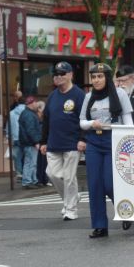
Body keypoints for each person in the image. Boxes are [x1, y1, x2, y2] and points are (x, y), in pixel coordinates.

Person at [80, 63, 134, 238]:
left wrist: (130, 140)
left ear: (108, 78)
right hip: (94, 141)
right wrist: (91, 123)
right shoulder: (89, 97)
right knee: (95, 184)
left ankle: (125, 210)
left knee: (110, 183)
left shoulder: (120, 94)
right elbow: (81, 122)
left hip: (114, 139)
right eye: (94, 77)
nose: (96, 80)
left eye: (100, 76)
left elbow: (128, 120)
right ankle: (99, 226)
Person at [40, 61, 86, 221]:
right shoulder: (52, 96)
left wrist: (82, 138)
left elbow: (85, 118)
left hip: (72, 143)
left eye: (62, 74)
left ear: (71, 75)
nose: (58, 77)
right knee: (51, 173)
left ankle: (71, 209)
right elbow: (46, 119)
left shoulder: (79, 95)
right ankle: (72, 197)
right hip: (53, 142)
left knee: (69, 177)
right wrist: (43, 141)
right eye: (56, 74)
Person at [18, 96, 42, 190]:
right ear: (31, 103)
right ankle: (28, 181)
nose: (36, 104)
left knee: (30, 162)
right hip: (30, 143)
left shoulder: (26, 113)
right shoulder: (30, 115)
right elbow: (31, 130)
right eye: (35, 102)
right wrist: (36, 141)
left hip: (27, 142)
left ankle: (31, 180)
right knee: (31, 162)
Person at [7, 95, 26, 180]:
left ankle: (19, 173)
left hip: (15, 138)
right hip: (26, 137)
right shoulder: (28, 112)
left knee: (17, 157)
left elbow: (8, 127)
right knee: (27, 156)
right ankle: (27, 173)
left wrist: (8, 136)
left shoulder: (11, 113)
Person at [35, 101, 51, 187]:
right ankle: (42, 179)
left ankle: (42, 179)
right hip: (41, 142)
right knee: (43, 162)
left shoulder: (37, 117)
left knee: (41, 162)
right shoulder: (40, 118)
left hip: (40, 142)